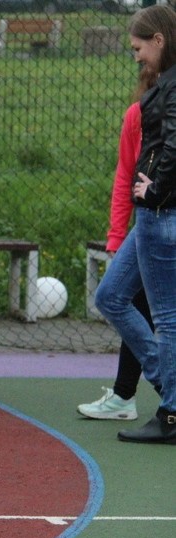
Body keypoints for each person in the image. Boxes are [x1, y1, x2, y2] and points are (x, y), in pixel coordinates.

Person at [99, 5, 176, 444]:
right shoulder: (155, 95)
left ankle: (171, 410)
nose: (136, 57)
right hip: (149, 216)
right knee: (110, 295)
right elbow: (128, 171)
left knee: (166, 317)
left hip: (160, 214)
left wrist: (157, 187)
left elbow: (169, 152)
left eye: (138, 47)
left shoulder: (171, 92)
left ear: (158, 40)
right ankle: (169, 385)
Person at [79, 71, 157, 421]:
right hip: (148, 226)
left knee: (150, 310)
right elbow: (126, 174)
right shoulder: (137, 115)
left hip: (163, 224)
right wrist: (115, 235)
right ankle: (127, 394)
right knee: (125, 300)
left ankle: (144, 391)